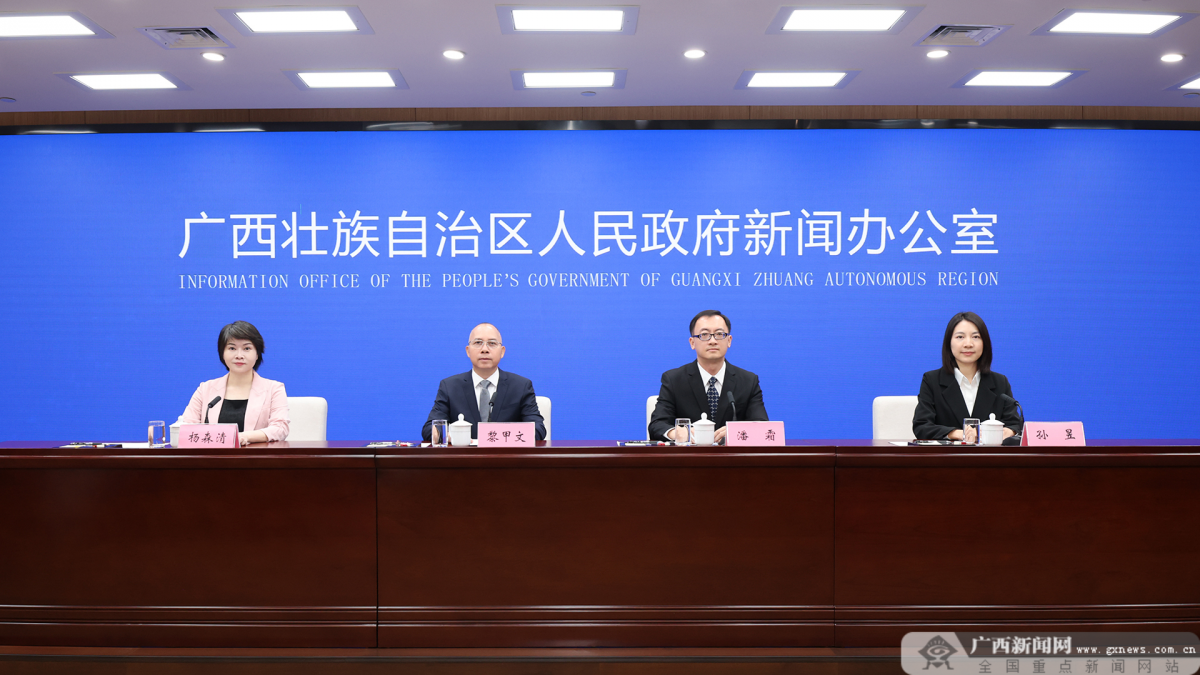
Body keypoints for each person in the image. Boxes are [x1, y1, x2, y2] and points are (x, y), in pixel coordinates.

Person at [648, 310, 768, 443]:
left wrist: (736, 432)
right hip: (690, 455)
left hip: (733, 455)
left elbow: (763, 426)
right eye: (704, 335)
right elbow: (657, 425)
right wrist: (677, 433)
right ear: (692, 342)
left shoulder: (748, 381)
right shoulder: (674, 379)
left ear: (729, 340)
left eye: (719, 334)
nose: (712, 341)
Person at [422, 323, 546, 442]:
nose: (485, 349)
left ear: (502, 351)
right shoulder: (450, 386)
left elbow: (538, 429)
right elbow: (430, 429)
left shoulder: (521, 386)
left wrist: (502, 438)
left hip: (506, 455)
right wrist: (448, 436)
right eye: (478, 343)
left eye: (492, 343)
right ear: (468, 351)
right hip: (464, 455)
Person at [912, 311, 1021, 441]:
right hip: (948, 453)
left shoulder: (1000, 382)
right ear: (949, 342)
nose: (968, 344)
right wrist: (959, 434)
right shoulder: (932, 380)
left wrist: (1005, 432)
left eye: (976, 337)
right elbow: (922, 426)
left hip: (989, 454)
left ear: (985, 343)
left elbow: (1015, 424)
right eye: (960, 337)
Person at [180, 321, 289, 445]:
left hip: (257, 456)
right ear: (222, 353)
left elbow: (280, 429)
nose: (239, 355)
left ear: (257, 354)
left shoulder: (274, 389)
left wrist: (243, 437)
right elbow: (186, 427)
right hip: (213, 456)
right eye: (232, 348)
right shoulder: (205, 389)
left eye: (247, 348)